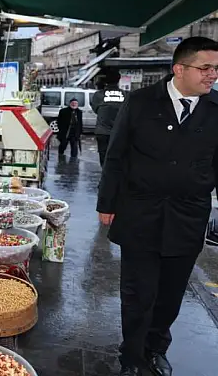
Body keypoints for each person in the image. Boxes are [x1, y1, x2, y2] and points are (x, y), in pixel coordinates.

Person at [97, 37, 218, 376]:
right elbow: (116, 156)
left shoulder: (215, 109)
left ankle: (155, 349)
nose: (212, 76)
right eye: (205, 68)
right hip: (140, 213)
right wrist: (107, 202)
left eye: (216, 69)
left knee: (170, 295)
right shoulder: (140, 102)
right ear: (179, 68)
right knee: (138, 293)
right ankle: (131, 357)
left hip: (187, 216)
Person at [91, 69, 126, 166]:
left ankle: (105, 176)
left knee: (104, 157)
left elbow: (95, 109)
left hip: (102, 131)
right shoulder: (126, 95)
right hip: (120, 132)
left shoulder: (98, 95)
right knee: (118, 158)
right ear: (118, 80)